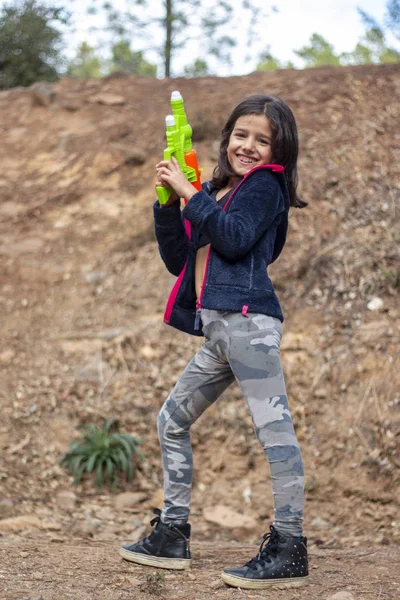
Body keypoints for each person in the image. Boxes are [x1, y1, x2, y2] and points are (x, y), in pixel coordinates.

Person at [120, 94, 309, 589]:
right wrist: (168, 204)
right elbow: (179, 257)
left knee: (276, 435)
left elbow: (234, 239)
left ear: (278, 151)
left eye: (261, 140)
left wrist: (190, 193)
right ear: (227, 138)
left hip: (248, 324)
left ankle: (290, 547)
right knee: (172, 419)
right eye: (240, 135)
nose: (247, 146)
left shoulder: (264, 188)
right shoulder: (222, 192)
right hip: (221, 331)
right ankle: (172, 535)